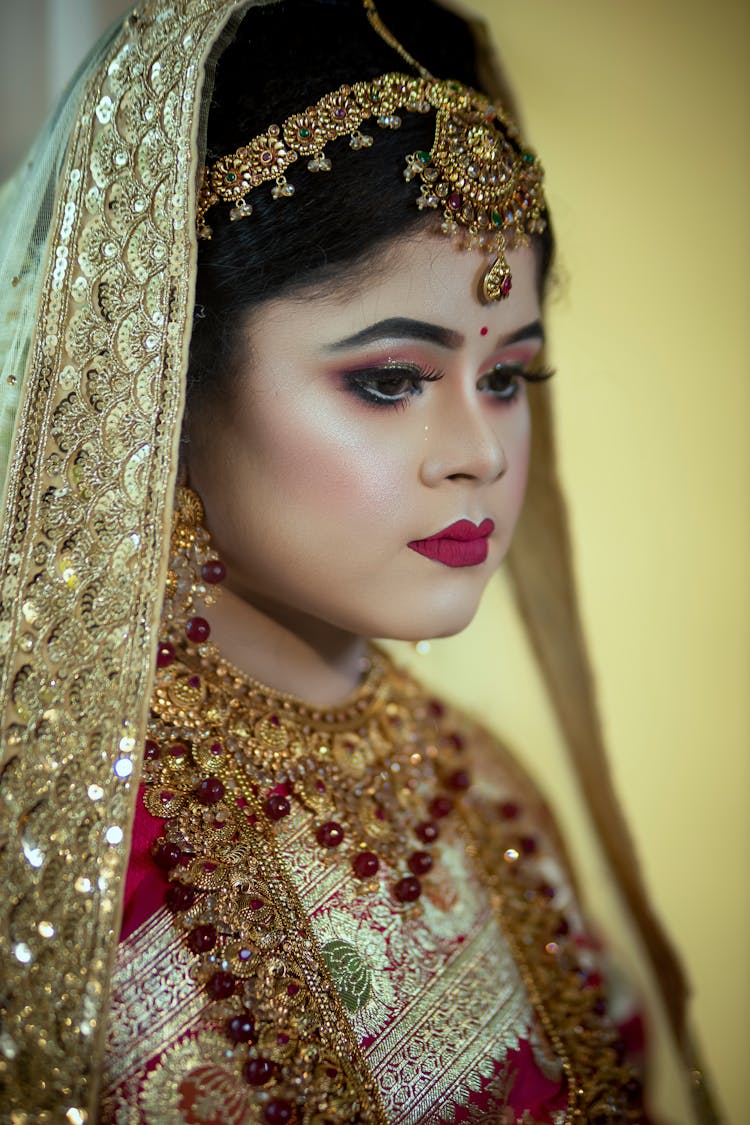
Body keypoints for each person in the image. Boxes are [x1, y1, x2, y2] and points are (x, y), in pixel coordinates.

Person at [0, 1, 719, 1122]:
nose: (482, 454)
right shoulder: (48, 833)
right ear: (166, 379)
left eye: (507, 377)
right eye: (390, 380)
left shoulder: (485, 789)